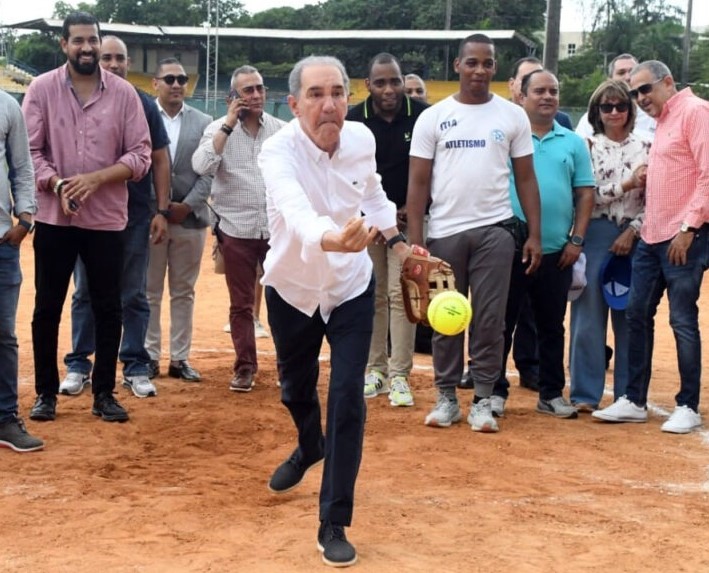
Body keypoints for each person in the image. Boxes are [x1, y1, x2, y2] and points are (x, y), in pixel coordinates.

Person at [258, 55, 409, 567]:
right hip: (293, 290)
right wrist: (332, 239)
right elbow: (296, 212)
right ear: (294, 104)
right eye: (316, 94)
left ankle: (334, 520)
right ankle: (308, 446)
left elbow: (375, 195)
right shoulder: (277, 151)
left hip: (350, 289)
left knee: (348, 398)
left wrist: (400, 245)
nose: (329, 105)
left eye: (338, 93)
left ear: (349, 98)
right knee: (295, 390)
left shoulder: (361, 140)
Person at [407, 33, 542, 433]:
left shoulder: (512, 116)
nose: (480, 70)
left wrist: (534, 234)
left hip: (495, 230)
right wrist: (416, 242)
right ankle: (446, 398)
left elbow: (526, 178)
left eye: (487, 63)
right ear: (458, 65)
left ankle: (483, 399)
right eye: (472, 62)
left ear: (495, 67)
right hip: (445, 232)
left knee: (490, 319)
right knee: (446, 317)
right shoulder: (433, 117)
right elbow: (418, 183)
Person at [23, 11, 151, 423]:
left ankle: (104, 393)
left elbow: (141, 155)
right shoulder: (41, 89)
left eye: (92, 40)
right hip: (54, 218)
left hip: (106, 220)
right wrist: (58, 184)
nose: (86, 47)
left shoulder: (125, 94)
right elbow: (30, 152)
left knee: (108, 307)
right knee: (47, 307)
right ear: (64, 44)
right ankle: (46, 393)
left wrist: (96, 179)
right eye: (77, 40)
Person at [593, 60, 709, 434]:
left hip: (684, 236)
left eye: (645, 89)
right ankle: (633, 400)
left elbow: (708, 175)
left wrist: (689, 228)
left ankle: (688, 405)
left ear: (668, 82)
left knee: (682, 319)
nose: (640, 98)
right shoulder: (661, 122)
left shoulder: (695, 112)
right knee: (636, 313)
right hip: (652, 235)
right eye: (635, 92)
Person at [60, 35, 171, 399]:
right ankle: (79, 363)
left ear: (128, 63)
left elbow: (159, 159)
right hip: (86, 214)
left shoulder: (143, 103)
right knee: (85, 291)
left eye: (120, 58)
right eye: (107, 57)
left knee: (134, 293)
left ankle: (135, 365)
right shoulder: (78, 100)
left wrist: (161, 210)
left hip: (134, 216)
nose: (113, 64)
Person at [490, 70, 595, 419]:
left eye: (553, 90)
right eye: (539, 91)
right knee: (501, 324)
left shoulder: (573, 142)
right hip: (509, 248)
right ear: (521, 96)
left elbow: (585, 193)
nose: (548, 96)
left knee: (552, 326)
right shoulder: (505, 139)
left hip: (557, 251)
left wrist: (576, 240)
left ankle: (550, 394)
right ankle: (493, 392)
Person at [192, 64, 285, 392]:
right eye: (248, 90)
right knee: (241, 305)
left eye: (260, 88)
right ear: (232, 98)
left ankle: (288, 366)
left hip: (277, 231)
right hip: (235, 231)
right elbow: (201, 165)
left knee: (284, 302)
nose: (256, 95)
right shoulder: (217, 129)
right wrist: (229, 124)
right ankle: (245, 367)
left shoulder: (282, 130)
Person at [346, 53, 428, 407]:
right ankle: (375, 370)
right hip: (368, 223)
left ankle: (400, 376)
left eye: (395, 81)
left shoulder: (422, 115)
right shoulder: (354, 120)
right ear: (368, 85)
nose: (389, 89)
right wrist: (375, 217)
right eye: (380, 83)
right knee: (374, 294)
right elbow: (348, 174)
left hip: (410, 221)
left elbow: (430, 169)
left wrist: (411, 209)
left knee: (402, 293)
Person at [569, 80, 650, 411]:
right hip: (596, 231)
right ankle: (585, 394)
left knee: (631, 314)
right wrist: (627, 183)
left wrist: (633, 230)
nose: (614, 112)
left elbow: (658, 199)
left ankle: (629, 395)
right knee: (587, 315)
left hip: (637, 234)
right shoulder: (586, 147)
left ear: (630, 110)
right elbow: (586, 196)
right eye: (607, 106)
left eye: (621, 106)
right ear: (596, 112)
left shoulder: (648, 146)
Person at [145, 58, 212, 383]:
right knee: (150, 292)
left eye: (182, 79)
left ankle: (179, 358)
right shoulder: (142, 117)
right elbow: (137, 166)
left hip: (190, 218)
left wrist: (187, 205)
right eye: (169, 78)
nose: (176, 84)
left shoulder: (204, 121)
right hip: (151, 219)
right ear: (155, 83)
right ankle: (149, 356)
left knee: (183, 291)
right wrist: (157, 206)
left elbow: (211, 171)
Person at [0, 89, 44, 452]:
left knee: (3, 335)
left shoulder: (6, 105)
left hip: (2, 240)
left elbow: (22, 166)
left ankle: (4, 418)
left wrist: (26, 218)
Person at [576, 54, 656, 140]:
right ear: (610, 79)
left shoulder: (653, 115)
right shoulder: (588, 121)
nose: (628, 77)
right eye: (621, 73)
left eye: (632, 72)